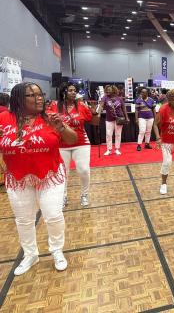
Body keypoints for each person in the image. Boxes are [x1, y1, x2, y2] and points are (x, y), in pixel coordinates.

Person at [0, 82, 77, 275]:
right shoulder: (3, 118)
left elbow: (72, 139)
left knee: (53, 215)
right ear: (18, 99)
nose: (39, 98)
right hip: (18, 178)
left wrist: (61, 128)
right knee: (24, 220)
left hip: (49, 175)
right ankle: (30, 255)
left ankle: (56, 250)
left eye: (40, 94)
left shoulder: (50, 117)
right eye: (32, 95)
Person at [47, 82, 100, 208]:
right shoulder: (54, 105)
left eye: (74, 90)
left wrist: (94, 113)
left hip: (81, 142)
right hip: (61, 144)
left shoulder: (81, 105)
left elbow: (95, 123)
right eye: (70, 90)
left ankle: (84, 195)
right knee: (63, 172)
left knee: (84, 170)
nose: (73, 92)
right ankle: (63, 196)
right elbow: (48, 121)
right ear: (63, 92)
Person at [153, 89, 174, 195]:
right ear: (169, 100)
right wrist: (157, 137)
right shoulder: (163, 109)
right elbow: (155, 124)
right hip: (166, 141)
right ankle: (164, 184)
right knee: (167, 162)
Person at [97, 85, 129, 155]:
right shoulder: (105, 97)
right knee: (108, 134)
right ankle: (109, 149)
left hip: (119, 118)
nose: (107, 91)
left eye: (109, 90)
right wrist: (99, 113)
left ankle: (117, 149)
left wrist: (126, 117)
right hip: (109, 119)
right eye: (106, 90)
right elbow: (101, 105)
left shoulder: (119, 98)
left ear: (113, 90)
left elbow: (124, 109)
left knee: (118, 134)